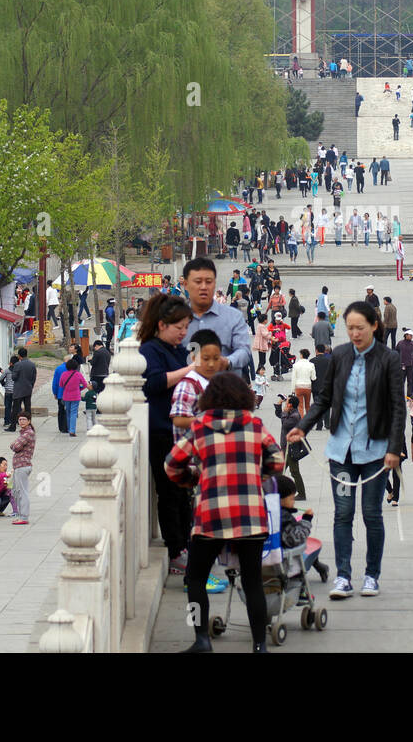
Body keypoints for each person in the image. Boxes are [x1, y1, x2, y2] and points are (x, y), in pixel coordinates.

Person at [286, 301, 404, 600]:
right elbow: (323, 398)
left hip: (375, 451)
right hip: (341, 451)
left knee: (372, 514)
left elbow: (397, 408)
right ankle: (342, 576)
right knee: (343, 514)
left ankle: (371, 576)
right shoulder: (339, 355)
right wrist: (304, 426)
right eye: (350, 327)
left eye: (360, 328)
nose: (354, 333)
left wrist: (394, 448)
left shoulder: (389, 359)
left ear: (374, 326)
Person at [165, 372, 284, 653]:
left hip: (210, 516)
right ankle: (259, 645)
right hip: (251, 517)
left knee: (195, 579)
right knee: (253, 581)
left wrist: (194, 478)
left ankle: (201, 639)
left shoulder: (199, 426)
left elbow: (171, 465)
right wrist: (256, 476)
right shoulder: (254, 425)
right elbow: (277, 461)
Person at [138, 293, 198, 575]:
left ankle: (187, 544)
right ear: (162, 325)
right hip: (161, 430)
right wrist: (190, 370)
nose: (184, 333)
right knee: (170, 491)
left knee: (184, 491)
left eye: (186, 327)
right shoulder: (150, 349)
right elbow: (153, 384)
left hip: (180, 432)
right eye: (179, 327)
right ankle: (176, 549)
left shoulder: (175, 349)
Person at [182, 258, 253, 377]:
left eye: (208, 281)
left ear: (215, 283)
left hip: (224, 388)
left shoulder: (233, 316)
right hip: (185, 391)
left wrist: (228, 361)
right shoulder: (175, 318)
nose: (203, 287)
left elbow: (244, 351)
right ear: (185, 284)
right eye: (198, 281)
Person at [8, 414, 35, 524]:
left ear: (29, 421)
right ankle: (20, 515)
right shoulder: (23, 433)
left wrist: (13, 444)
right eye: (20, 419)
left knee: (22, 492)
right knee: (15, 491)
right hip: (18, 466)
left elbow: (15, 446)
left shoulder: (28, 433)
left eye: (24, 419)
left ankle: (24, 517)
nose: (22, 421)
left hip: (23, 465)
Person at [8, 347, 37, 431]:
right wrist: (31, 385)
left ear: (19, 355)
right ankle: (29, 425)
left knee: (16, 408)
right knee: (28, 408)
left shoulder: (17, 364)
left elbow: (14, 377)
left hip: (18, 390)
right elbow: (34, 377)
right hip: (28, 388)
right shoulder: (32, 364)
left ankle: (12, 426)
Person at [398, 329, 413, 396]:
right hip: (402, 365)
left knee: (410, 381)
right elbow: (396, 351)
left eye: (412, 335)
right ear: (406, 335)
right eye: (410, 335)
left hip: (411, 365)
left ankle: (409, 395)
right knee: (401, 381)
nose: (411, 337)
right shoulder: (400, 343)